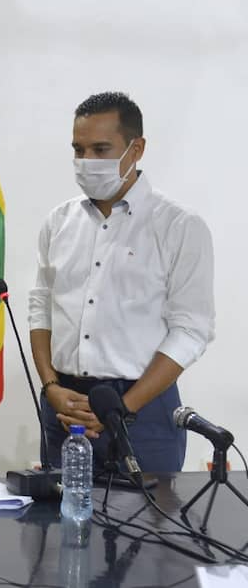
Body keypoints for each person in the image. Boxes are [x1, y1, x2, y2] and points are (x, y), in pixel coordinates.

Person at [29, 92, 215, 473]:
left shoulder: (179, 226)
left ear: (137, 149)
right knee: (63, 511)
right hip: (66, 406)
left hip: (143, 410)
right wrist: (50, 387)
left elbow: (191, 331)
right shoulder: (58, 222)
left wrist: (123, 407)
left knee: (149, 513)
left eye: (100, 149)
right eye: (78, 150)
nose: (87, 161)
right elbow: (41, 308)